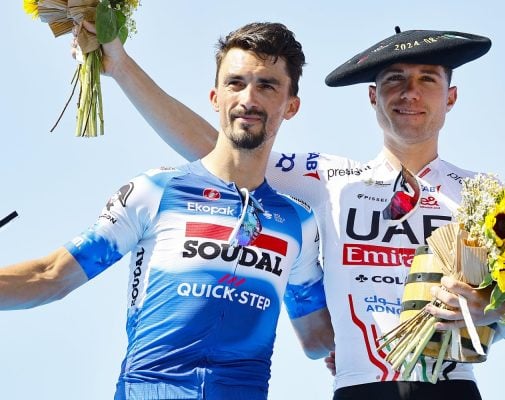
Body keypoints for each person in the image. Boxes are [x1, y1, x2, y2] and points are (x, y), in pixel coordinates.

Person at [89, 25, 505, 399]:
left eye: (427, 79)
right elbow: (219, 149)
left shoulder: (483, 196)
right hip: (358, 388)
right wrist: (122, 68)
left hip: (454, 388)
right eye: (394, 80)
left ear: (452, 96)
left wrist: (492, 308)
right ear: (372, 97)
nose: (410, 93)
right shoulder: (329, 177)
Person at [1, 22, 333, 400]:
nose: (248, 99)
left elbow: (318, 339)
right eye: (235, 83)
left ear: (292, 106)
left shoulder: (298, 222)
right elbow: (51, 276)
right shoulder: (156, 190)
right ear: (215, 97)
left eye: (267, 85)